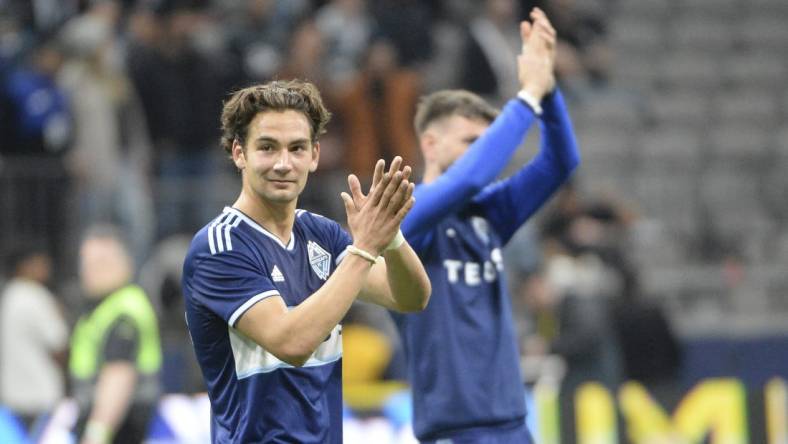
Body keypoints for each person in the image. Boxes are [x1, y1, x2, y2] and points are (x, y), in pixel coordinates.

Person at [181, 79, 431, 443]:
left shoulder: (321, 234)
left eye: (297, 148)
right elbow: (292, 342)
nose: (284, 163)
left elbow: (411, 297)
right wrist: (364, 248)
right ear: (239, 153)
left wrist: (391, 237)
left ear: (314, 155)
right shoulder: (219, 247)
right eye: (267, 147)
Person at [394, 8, 580, 443]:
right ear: (430, 143)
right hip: (453, 432)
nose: (486, 153)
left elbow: (561, 162)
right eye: (471, 142)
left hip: (515, 426)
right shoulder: (405, 213)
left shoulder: (487, 213)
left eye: (487, 140)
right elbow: (472, 176)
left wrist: (548, 92)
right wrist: (527, 97)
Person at [69, 226, 162, 444]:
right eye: (85, 263)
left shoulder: (124, 311)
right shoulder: (104, 308)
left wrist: (96, 435)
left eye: (99, 264)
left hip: (119, 431)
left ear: (124, 264)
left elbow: (119, 376)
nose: (87, 271)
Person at [0, 245, 68, 435]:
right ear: (24, 266)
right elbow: (59, 345)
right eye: (40, 262)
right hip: (42, 396)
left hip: (12, 397)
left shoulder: (8, 295)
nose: (46, 267)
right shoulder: (35, 295)